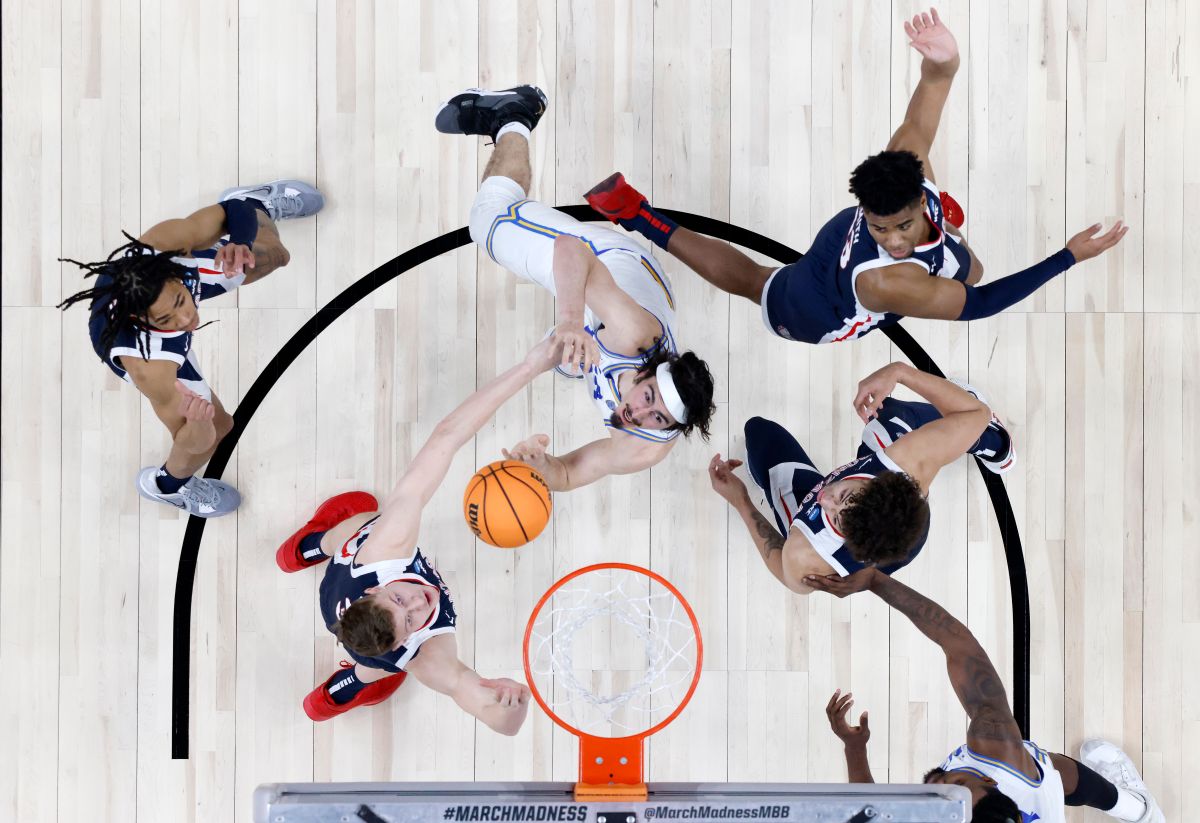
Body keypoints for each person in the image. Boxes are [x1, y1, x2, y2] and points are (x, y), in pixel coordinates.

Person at [584, 8, 1127, 344]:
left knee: (969, 266)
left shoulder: (907, 159)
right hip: (820, 306)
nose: (891, 240)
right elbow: (981, 307)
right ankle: (640, 217)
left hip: (841, 239)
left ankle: (945, 235)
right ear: (868, 212)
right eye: (882, 226)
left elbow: (924, 108)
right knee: (759, 284)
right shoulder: (888, 278)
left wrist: (944, 64)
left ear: (919, 195)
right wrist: (1069, 257)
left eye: (902, 226)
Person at [434, 85, 716, 490]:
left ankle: (577, 342)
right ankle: (514, 113)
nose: (640, 413)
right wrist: (569, 320)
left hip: (639, 300)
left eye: (659, 418)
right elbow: (572, 251)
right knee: (487, 222)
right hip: (610, 264)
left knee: (568, 358)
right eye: (649, 396)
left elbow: (569, 473)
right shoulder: (634, 336)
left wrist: (539, 466)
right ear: (650, 371)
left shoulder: (645, 447)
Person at [275, 336, 563, 730]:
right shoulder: (425, 656)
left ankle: (308, 549)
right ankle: (335, 693)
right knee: (373, 668)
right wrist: (511, 705)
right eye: (410, 621)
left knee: (358, 528)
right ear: (404, 644)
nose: (419, 603)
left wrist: (530, 366)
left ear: (374, 590)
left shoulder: (384, 551)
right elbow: (491, 711)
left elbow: (446, 437)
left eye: (399, 598)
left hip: (336, 594)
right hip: (363, 638)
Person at [811, 567, 1165, 823]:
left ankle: (1138, 810)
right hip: (1039, 798)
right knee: (1050, 773)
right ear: (989, 780)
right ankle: (1141, 811)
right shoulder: (996, 746)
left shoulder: (975, 777)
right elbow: (959, 644)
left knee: (1051, 771)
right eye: (958, 784)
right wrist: (875, 580)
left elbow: (871, 812)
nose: (939, 785)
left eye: (945, 800)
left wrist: (854, 749)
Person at [57, 180, 324, 516]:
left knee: (273, 257)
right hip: (156, 352)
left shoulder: (164, 244)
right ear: (140, 318)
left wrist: (239, 241)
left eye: (182, 302)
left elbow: (231, 212)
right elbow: (188, 440)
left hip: (177, 283)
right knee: (220, 427)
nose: (188, 319)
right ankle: (167, 487)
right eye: (168, 319)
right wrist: (198, 425)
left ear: (174, 269)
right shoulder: (153, 368)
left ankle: (260, 202)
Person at [708, 362, 1013, 592]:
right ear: (880, 481)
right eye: (845, 496)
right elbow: (975, 413)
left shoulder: (807, 551)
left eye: (837, 518)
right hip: (897, 535)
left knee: (759, 435)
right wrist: (900, 372)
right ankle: (997, 444)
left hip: (877, 551)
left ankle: (994, 444)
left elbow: (787, 574)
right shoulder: (908, 463)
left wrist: (741, 501)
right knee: (889, 416)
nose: (824, 498)